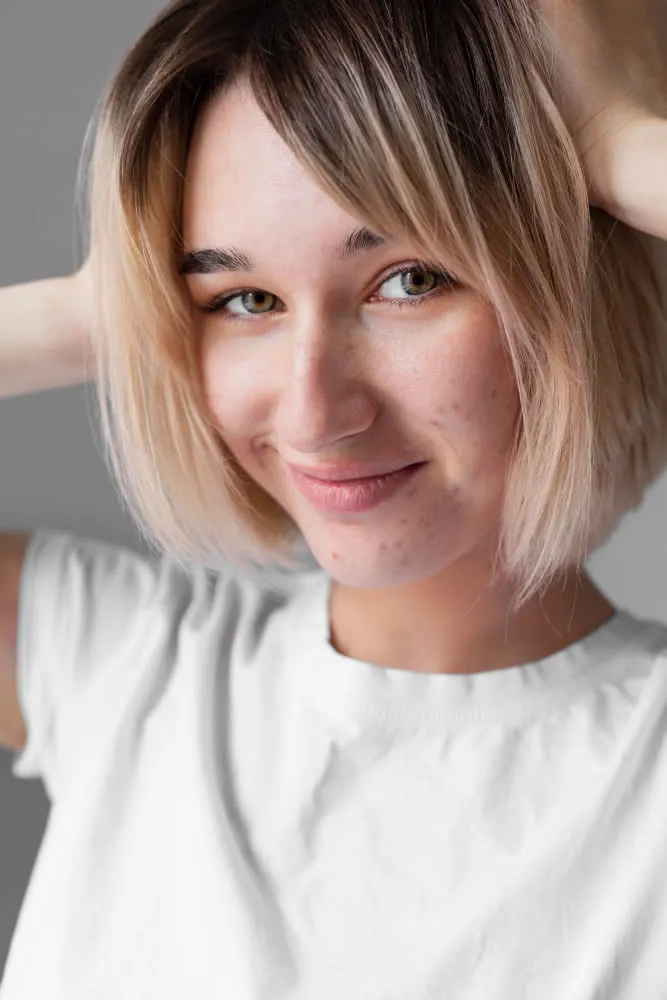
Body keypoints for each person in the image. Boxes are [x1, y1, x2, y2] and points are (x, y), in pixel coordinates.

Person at [1, 0, 667, 996]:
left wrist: (623, 146)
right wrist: (90, 309)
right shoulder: (118, 663)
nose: (314, 412)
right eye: (243, 301)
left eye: (407, 280)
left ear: (578, 284)